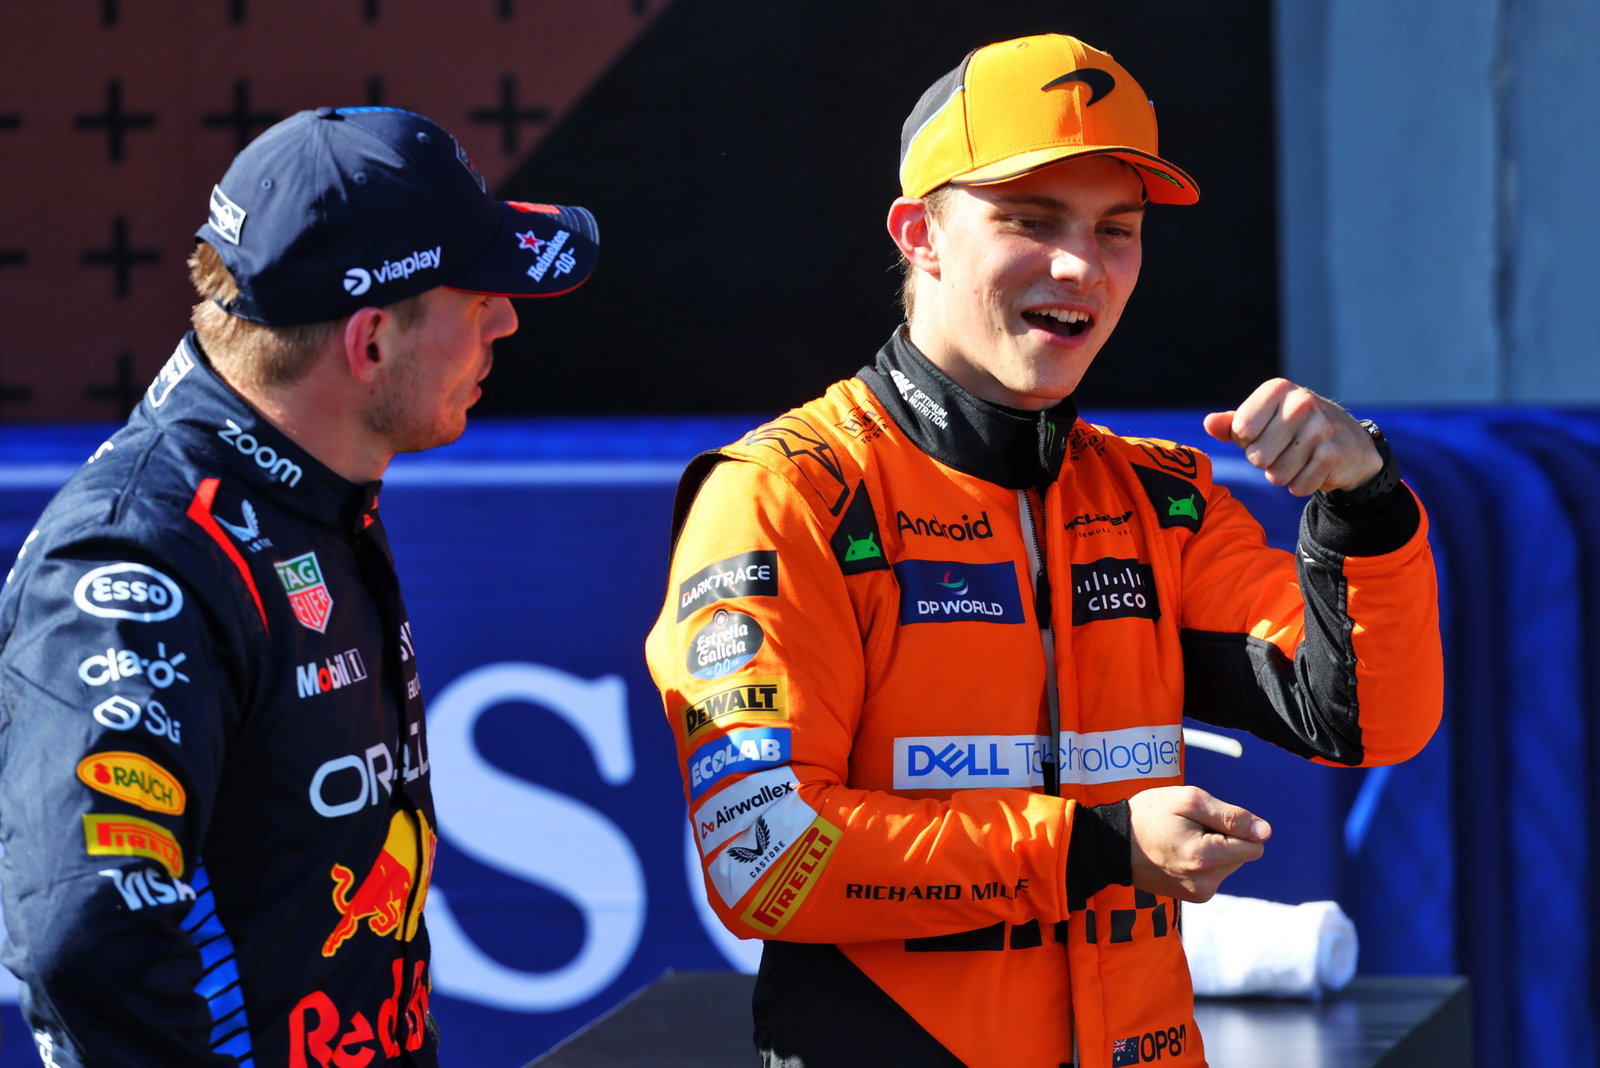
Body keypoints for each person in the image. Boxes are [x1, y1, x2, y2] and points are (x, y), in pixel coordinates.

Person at [644, 32, 1441, 1068]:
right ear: (920, 235)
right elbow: (766, 854)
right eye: (1029, 219)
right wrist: (1096, 849)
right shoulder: (788, 493)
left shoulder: (1158, 500)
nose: (1080, 265)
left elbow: (1367, 721)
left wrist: (1362, 508)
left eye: (1117, 229)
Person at [0, 105, 598, 1067]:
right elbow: (84, 944)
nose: (506, 318)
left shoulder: (308, 491)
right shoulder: (137, 563)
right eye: (475, 297)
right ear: (370, 343)